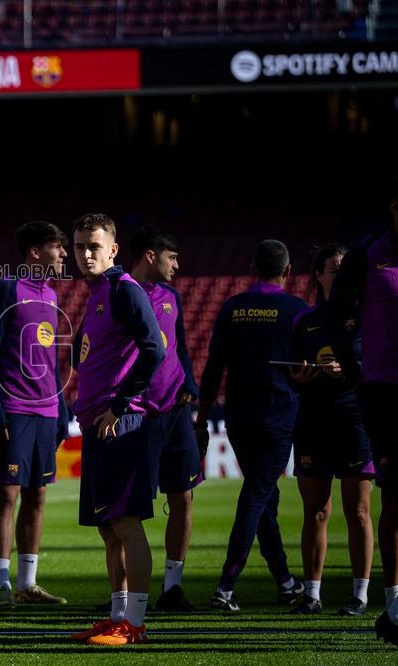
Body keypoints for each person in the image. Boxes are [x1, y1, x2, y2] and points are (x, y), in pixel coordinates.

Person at [67, 214, 164, 646]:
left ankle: (136, 624)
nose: (86, 254)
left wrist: (120, 403)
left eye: (94, 246)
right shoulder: (96, 295)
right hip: (96, 425)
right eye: (79, 246)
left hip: (121, 424)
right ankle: (117, 617)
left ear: (113, 249)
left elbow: (154, 351)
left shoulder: (126, 291)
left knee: (125, 524)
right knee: (109, 528)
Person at [196, 239, 307, 612]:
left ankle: (286, 581)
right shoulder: (296, 310)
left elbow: (213, 368)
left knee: (265, 501)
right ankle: (225, 586)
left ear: (251, 268)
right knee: (257, 496)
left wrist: (202, 414)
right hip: (278, 418)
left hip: (239, 420)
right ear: (288, 271)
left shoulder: (233, 308)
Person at [0, 221, 70, 607]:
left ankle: (27, 584)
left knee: (38, 494)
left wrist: (63, 410)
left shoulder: (51, 295)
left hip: (47, 410)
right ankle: (1, 584)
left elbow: (50, 360)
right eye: (57, 246)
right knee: (8, 494)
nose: (64, 254)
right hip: (14, 409)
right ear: (35, 252)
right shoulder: (7, 289)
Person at [327, 195, 398, 644]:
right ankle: (395, 606)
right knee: (395, 502)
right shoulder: (366, 255)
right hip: (387, 396)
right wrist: (358, 377)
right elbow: (336, 317)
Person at [289, 243, 374, 616]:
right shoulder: (305, 320)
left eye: (345, 269)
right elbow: (291, 373)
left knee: (358, 512)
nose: (339, 275)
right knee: (316, 512)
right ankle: (312, 594)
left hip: (355, 419)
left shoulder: (370, 316)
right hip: (313, 420)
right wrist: (300, 376)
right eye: (333, 269)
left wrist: (350, 368)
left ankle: (361, 596)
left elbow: (382, 365)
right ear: (319, 277)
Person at [127, 226, 201, 612]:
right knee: (132, 508)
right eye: (172, 257)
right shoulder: (121, 294)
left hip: (176, 412)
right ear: (151, 255)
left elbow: (183, 349)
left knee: (183, 498)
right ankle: (124, 597)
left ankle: (172, 587)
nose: (177, 265)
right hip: (139, 417)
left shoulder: (171, 297)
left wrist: (189, 381)